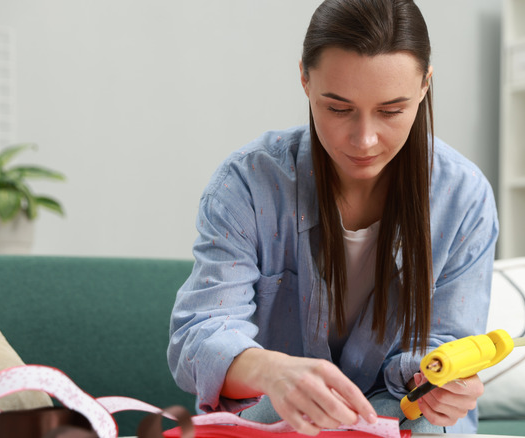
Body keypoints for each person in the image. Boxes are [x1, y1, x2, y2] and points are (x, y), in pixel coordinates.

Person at [167, 0, 498, 435]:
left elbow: (446, 345)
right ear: (304, 78)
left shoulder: (463, 197)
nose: (364, 139)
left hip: (405, 418)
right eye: (338, 109)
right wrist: (273, 372)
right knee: (272, 417)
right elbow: (198, 336)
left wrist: (441, 381)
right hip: (275, 411)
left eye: (391, 110)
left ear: (424, 86)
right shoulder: (248, 183)